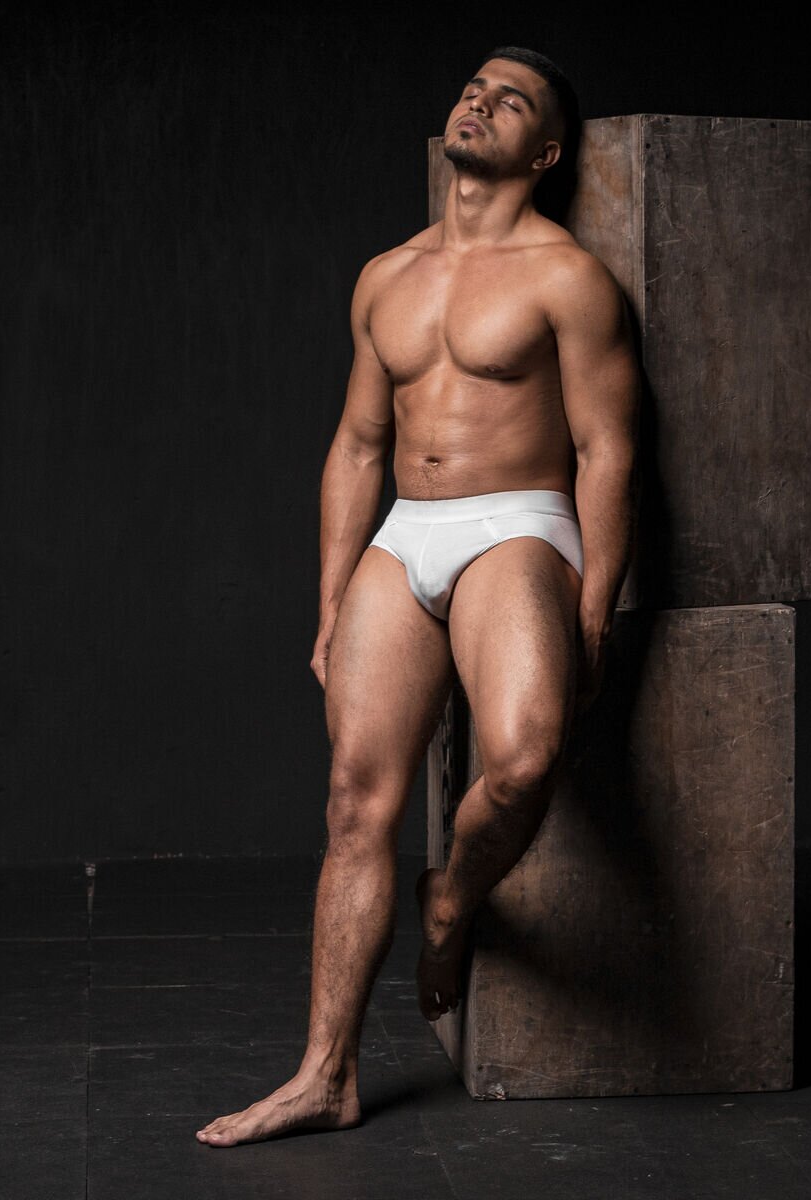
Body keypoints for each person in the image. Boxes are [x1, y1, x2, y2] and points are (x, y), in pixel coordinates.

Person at [196, 46, 639, 1148]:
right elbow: (357, 444)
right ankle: (325, 1075)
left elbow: (608, 448)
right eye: (474, 88)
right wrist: (331, 599)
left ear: (544, 153)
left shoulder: (567, 278)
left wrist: (594, 609)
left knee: (526, 757)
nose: (479, 102)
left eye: (510, 101)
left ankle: (451, 897)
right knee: (355, 802)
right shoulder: (385, 275)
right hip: (406, 533)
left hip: (516, 522)